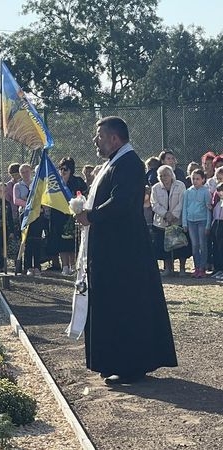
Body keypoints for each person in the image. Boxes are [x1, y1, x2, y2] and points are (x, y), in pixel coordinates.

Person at [74, 116, 177, 385]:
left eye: (99, 136)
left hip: (125, 252)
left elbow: (120, 202)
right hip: (112, 249)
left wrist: (91, 216)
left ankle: (130, 366)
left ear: (114, 138)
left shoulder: (129, 163)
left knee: (126, 306)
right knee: (112, 304)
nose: (95, 141)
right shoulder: (114, 162)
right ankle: (112, 361)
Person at [150, 165, 190, 277]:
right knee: (163, 246)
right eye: (161, 176)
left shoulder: (180, 185)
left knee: (181, 245)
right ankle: (168, 268)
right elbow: (154, 204)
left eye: (166, 175)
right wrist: (165, 214)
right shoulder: (155, 188)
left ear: (171, 175)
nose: (164, 178)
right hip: (161, 222)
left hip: (177, 221)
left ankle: (182, 269)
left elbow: (182, 201)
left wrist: (174, 215)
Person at [53, 157, 87, 276]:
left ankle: (73, 265)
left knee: (72, 240)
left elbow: (83, 195)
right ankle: (65, 266)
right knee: (61, 241)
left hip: (73, 214)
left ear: (71, 169)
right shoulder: (56, 182)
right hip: (59, 214)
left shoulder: (78, 181)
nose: (62, 171)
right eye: (61, 168)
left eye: (65, 169)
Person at [182, 169, 212, 278]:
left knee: (202, 245)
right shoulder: (188, 192)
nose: (195, 181)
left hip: (202, 221)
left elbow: (208, 209)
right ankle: (197, 267)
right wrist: (184, 223)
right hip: (191, 222)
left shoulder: (206, 192)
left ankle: (202, 268)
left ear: (203, 179)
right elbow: (184, 208)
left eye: (197, 179)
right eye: (193, 178)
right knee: (194, 245)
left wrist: (208, 225)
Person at [210, 183, 223, 280]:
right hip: (216, 225)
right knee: (216, 248)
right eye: (219, 191)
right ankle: (218, 268)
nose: (220, 193)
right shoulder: (218, 203)